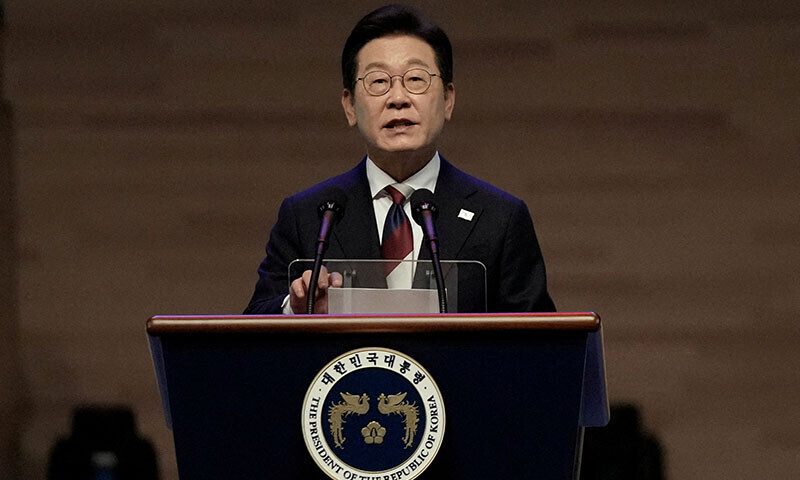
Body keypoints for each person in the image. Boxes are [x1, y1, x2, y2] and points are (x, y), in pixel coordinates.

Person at [244, 4, 555, 315]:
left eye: (416, 79)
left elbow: (540, 338)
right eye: (379, 81)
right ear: (350, 106)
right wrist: (296, 307)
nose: (398, 98)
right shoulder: (308, 216)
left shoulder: (500, 218)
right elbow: (253, 323)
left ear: (448, 100)